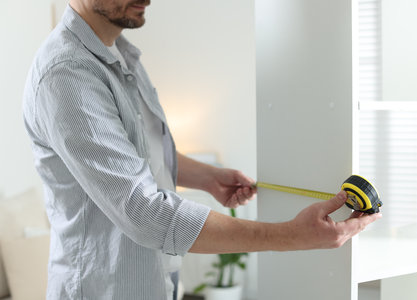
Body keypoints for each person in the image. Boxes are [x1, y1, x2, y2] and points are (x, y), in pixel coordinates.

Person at [22, 1, 381, 299]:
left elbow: (132, 153)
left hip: (157, 281)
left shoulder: (121, 55)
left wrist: (207, 177)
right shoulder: (67, 74)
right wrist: (289, 235)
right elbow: (144, 212)